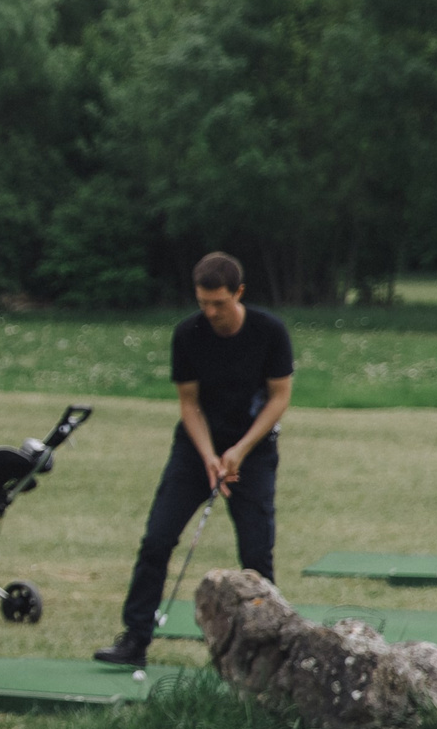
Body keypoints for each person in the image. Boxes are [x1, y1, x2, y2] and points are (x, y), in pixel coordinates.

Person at [96, 253, 295, 667]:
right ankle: (135, 639)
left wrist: (238, 451)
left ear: (238, 293)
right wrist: (208, 456)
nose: (210, 311)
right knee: (156, 541)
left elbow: (279, 397)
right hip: (195, 448)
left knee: (257, 555)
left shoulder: (269, 332)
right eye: (203, 302)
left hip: (252, 450)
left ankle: (268, 652)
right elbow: (189, 405)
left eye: (218, 303)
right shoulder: (188, 334)